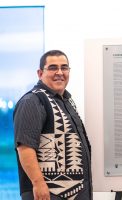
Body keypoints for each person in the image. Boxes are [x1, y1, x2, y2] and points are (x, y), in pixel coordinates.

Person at [14, 50, 92, 200]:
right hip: (50, 194)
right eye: (52, 68)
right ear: (39, 73)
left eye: (64, 67)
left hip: (74, 192)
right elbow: (25, 147)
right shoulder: (32, 101)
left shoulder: (66, 101)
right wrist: (38, 183)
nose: (59, 72)